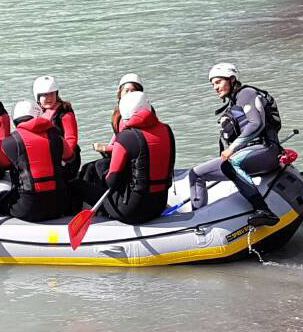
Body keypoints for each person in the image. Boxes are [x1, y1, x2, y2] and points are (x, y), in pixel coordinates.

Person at [186, 62, 284, 227]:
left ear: (232, 79)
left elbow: (256, 124)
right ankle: (198, 220)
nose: (215, 88)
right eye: (213, 84)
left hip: (265, 150)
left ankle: (263, 210)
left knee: (232, 163)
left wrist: (232, 148)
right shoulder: (234, 101)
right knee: (196, 174)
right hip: (249, 153)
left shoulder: (246, 93)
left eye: (218, 82)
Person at [76, 88, 176, 224]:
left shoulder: (125, 137)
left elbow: (112, 181)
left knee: (77, 184)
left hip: (131, 210)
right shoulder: (167, 130)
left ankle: (86, 216)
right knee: (102, 165)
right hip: (159, 204)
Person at [0, 100, 70, 222]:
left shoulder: (9, 142)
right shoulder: (56, 135)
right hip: (59, 205)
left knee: (0, 197)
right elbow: (69, 156)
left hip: (28, 207)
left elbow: (2, 164)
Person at [32, 76, 80, 175]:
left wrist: (63, 159)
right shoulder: (35, 112)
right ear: (38, 96)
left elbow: (71, 139)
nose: (49, 98)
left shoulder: (65, 112)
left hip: (68, 161)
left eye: (52, 94)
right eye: (45, 95)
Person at [95, 73, 145, 154]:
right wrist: (110, 145)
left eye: (133, 91)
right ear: (120, 93)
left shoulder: (142, 113)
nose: (129, 94)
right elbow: (117, 134)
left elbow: (129, 145)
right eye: (126, 91)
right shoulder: (119, 111)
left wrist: (105, 148)